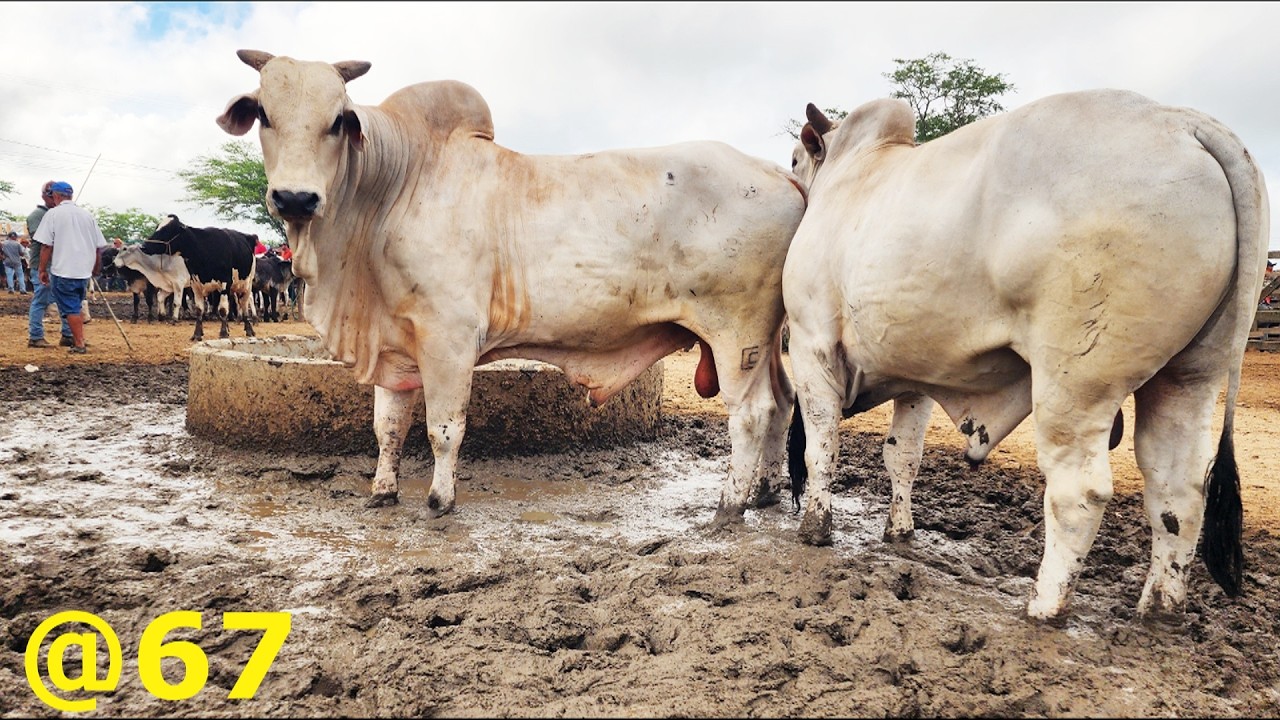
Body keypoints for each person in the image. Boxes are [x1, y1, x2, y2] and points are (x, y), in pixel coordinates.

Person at [33, 181, 107, 354]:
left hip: (63, 270)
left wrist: (42, 269)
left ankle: (79, 343)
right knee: (76, 305)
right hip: (83, 272)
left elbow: (46, 246)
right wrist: (95, 268)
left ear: (56, 196)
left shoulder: (52, 215)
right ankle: (75, 338)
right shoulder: (87, 215)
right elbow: (98, 248)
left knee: (71, 308)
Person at [26, 181, 75, 348]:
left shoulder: (58, 214)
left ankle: (68, 335)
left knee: (64, 300)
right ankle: (35, 336)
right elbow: (42, 240)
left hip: (59, 264)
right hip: (42, 264)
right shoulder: (37, 215)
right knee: (41, 299)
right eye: (51, 194)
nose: (54, 198)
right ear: (44, 196)